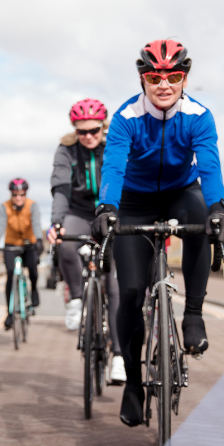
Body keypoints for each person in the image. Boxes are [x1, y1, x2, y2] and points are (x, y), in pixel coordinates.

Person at [92, 39, 224, 427]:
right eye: (154, 76)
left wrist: (219, 206)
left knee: (202, 220)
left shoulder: (199, 116)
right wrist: (107, 207)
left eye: (174, 76)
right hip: (134, 200)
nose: (164, 84)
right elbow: (114, 166)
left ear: (184, 77)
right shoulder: (125, 117)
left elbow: (209, 164)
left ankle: (193, 315)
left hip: (179, 192)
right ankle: (134, 385)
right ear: (143, 79)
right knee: (132, 292)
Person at [46, 98, 126, 385]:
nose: (88, 136)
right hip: (79, 211)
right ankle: (77, 299)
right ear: (75, 130)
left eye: (94, 130)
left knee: (115, 284)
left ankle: (119, 355)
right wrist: (56, 222)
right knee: (65, 242)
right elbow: (61, 189)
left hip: (114, 210)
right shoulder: (66, 150)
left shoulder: (114, 144)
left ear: (103, 127)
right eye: (82, 132)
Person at [0, 178, 43, 329]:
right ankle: (10, 313)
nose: (18, 198)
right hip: (11, 244)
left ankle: (34, 289)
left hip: (29, 244)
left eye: (21, 194)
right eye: (15, 195)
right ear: (11, 194)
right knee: (11, 273)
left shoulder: (32, 205)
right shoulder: (4, 207)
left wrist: (39, 240)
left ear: (25, 194)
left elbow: (36, 223)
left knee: (33, 269)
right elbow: (1, 225)